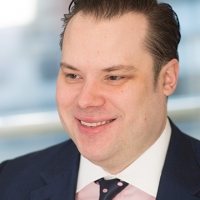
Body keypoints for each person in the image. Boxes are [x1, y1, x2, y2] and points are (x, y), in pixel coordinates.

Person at [1, 0, 200, 199]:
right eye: (73, 75)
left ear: (168, 78)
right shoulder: (8, 182)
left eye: (114, 77)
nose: (85, 100)